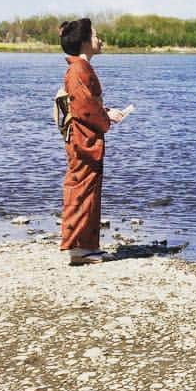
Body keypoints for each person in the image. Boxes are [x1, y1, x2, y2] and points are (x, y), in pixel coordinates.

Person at [59, 18, 126, 266]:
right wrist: (105, 118)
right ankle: (78, 248)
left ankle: (86, 246)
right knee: (82, 189)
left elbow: (88, 105)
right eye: (96, 35)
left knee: (88, 188)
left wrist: (106, 112)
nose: (100, 39)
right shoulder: (78, 70)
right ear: (86, 41)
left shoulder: (81, 69)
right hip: (83, 140)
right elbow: (85, 109)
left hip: (87, 138)